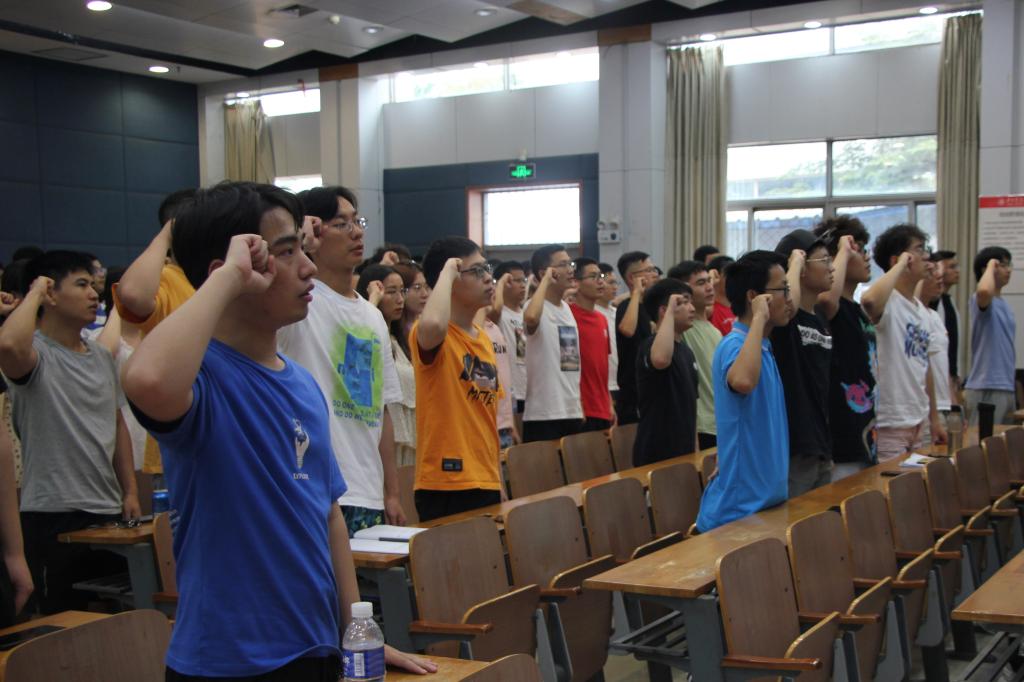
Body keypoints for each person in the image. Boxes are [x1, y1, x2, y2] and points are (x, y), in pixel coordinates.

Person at [121, 182, 433, 679]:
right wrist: (228, 280)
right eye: (286, 253)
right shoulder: (203, 377)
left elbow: (328, 513)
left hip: (315, 649)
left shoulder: (303, 384)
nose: (307, 268)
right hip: (229, 663)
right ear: (233, 269)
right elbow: (146, 380)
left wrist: (355, 632)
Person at [0, 251, 139, 614]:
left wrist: (129, 491)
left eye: (94, 285)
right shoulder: (34, 354)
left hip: (106, 511)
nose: (94, 294)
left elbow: (117, 423)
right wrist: (34, 292)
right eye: (81, 285)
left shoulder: (100, 357)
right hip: (52, 513)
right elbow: (7, 345)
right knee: (63, 623)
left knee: (112, 620)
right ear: (50, 294)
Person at [279, 186, 405, 535]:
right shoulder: (298, 303)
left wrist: (391, 492)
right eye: (340, 224)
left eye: (357, 222)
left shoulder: (373, 316)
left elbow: (381, 410)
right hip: (313, 487)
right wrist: (295, 242)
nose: (357, 233)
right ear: (312, 232)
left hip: (368, 491)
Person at [696, 251, 791, 532]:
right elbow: (743, 381)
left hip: (764, 502)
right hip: (737, 510)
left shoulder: (763, 347)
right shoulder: (734, 344)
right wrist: (759, 317)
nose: (789, 298)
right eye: (783, 289)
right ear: (755, 297)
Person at [411, 237, 502, 522]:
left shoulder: (483, 339)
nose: (487, 278)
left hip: (485, 477)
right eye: (476, 271)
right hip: (446, 482)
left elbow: (486, 414)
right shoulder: (432, 333)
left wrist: (496, 478)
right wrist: (448, 271)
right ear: (448, 279)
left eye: (487, 268)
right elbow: (433, 323)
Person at [112, 187, 197, 475]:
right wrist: (167, 234)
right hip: (178, 429)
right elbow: (133, 295)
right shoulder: (168, 278)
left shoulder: (224, 276)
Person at [861, 224, 946, 459]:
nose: (926, 256)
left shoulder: (921, 310)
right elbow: (869, 301)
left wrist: (934, 419)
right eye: (919, 249)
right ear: (898, 259)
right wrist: (899, 266)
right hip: (891, 421)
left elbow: (925, 367)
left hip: (919, 419)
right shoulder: (889, 301)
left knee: (920, 481)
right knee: (893, 482)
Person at [813, 217, 878, 479]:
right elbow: (828, 299)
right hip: (842, 432)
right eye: (859, 250)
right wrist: (843, 250)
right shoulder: (830, 306)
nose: (867, 257)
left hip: (866, 425)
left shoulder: (857, 309)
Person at [772, 230, 835, 497]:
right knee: (794, 519)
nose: (832, 267)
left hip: (820, 441)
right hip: (795, 443)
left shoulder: (820, 318)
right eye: (824, 260)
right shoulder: (785, 320)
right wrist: (795, 265)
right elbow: (787, 307)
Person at [356, 264, 417, 469]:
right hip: (383, 434)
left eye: (402, 291)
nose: (400, 299)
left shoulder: (400, 341)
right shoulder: (369, 334)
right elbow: (361, 350)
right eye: (391, 292)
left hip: (409, 432)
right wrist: (372, 301)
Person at [634, 279, 699, 466]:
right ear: (664, 310)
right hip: (656, 451)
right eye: (684, 302)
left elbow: (691, 403)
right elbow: (661, 360)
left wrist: (695, 448)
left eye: (691, 302)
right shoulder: (650, 345)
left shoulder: (686, 351)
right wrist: (671, 310)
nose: (692, 308)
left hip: (684, 450)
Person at [522, 245, 583, 442]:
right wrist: (546, 281)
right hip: (544, 413)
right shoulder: (534, 307)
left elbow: (571, 360)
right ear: (544, 272)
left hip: (571, 409)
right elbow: (531, 318)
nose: (571, 270)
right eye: (563, 265)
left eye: (571, 264)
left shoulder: (566, 308)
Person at [671, 260, 721, 450]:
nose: (709, 287)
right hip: (700, 424)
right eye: (701, 283)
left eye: (709, 281)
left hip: (720, 421)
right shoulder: (682, 328)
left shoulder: (714, 330)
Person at [964, 247, 1016, 425]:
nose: (1008, 270)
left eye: (1009, 265)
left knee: (1004, 442)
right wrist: (991, 265)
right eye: (1002, 265)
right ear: (986, 269)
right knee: (981, 440)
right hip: (986, 384)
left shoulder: (1005, 305)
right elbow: (984, 291)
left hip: (1006, 385)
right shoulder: (981, 299)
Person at [614, 251, 660, 424]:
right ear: (632, 278)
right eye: (648, 270)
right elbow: (627, 330)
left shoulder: (652, 308)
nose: (654, 274)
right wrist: (636, 292)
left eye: (654, 269)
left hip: (653, 391)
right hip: (633, 395)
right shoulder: (626, 306)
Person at [569, 258, 614, 432]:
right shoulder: (568, 316)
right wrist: (577, 402)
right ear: (576, 283)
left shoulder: (602, 319)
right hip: (582, 408)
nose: (600, 281)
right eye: (593, 276)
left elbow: (602, 366)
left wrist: (609, 403)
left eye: (600, 276)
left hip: (603, 407)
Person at [919, 261, 951, 444]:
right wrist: (933, 416)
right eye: (931, 273)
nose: (939, 277)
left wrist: (954, 404)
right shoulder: (915, 315)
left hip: (944, 405)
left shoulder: (935, 316)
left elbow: (942, 363)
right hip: (928, 408)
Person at [493, 261, 528, 428]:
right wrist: (499, 284)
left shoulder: (527, 314)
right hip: (511, 392)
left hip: (530, 390)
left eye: (524, 280)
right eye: (516, 281)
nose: (523, 285)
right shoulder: (499, 314)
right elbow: (495, 311)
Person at [930, 250, 961, 403]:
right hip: (937, 376)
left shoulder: (949, 301)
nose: (957, 271)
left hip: (949, 374)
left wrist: (955, 373)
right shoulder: (933, 303)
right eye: (951, 267)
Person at [596, 263, 621, 401]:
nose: (615, 287)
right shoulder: (593, 312)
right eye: (610, 283)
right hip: (602, 382)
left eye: (616, 283)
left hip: (619, 380)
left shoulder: (617, 313)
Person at [708, 255, 736, 335]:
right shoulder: (708, 310)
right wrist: (711, 280)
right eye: (729, 275)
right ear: (716, 277)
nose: (734, 280)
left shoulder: (739, 309)